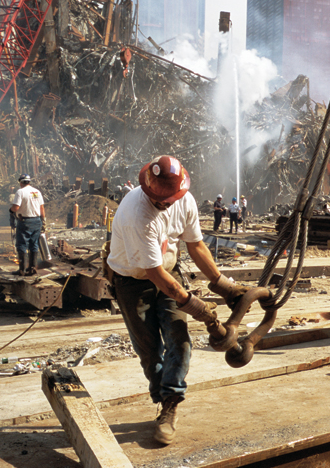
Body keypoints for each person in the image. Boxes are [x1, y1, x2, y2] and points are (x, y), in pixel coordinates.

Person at [105, 155, 248, 445]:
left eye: (171, 199)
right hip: (133, 282)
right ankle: (161, 395)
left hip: (169, 272)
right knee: (149, 351)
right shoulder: (139, 214)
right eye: (162, 201)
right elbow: (154, 273)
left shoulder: (184, 200)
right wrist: (197, 307)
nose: (167, 205)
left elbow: (195, 245)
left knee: (179, 340)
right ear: (149, 192)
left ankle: (170, 404)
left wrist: (222, 285)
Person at [9, 174, 45, 276]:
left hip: (25, 222)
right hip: (37, 221)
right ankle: (32, 268)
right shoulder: (37, 192)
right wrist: (43, 221)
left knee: (22, 245)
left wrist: (10, 210)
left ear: (20, 182)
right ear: (29, 182)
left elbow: (15, 208)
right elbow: (42, 208)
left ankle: (22, 270)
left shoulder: (20, 192)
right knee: (34, 244)